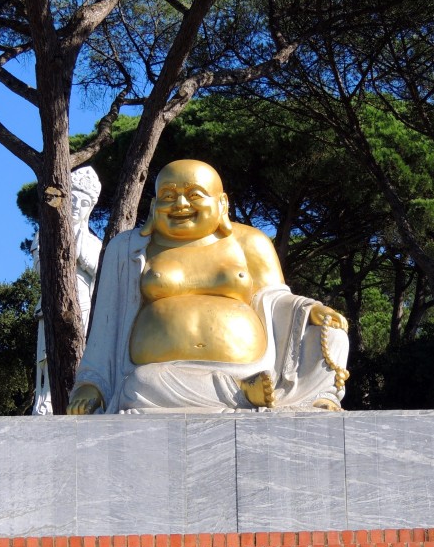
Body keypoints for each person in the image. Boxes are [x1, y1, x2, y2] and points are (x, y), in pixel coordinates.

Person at [67, 159, 349, 414]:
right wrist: (92, 383)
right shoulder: (128, 248)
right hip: (163, 377)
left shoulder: (250, 241)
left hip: (255, 367)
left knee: (332, 335)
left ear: (222, 203)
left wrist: (309, 310)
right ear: (153, 207)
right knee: (139, 385)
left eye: (194, 195)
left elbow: (274, 299)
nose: (180, 204)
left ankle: (310, 393)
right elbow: (107, 323)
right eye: (167, 196)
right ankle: (238, 392)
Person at [32, 167, 103, 414]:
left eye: (84, 203)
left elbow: (101, 273)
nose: (76, 206)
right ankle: (47, 403)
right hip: (53, 306)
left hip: (85, 305)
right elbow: (40, 267)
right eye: (73, 199)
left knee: (83, 356)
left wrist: (83, 257)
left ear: (90, 208)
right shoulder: (45, 232)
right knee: (48, 357)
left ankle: (83, 398)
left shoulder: (95, 243)